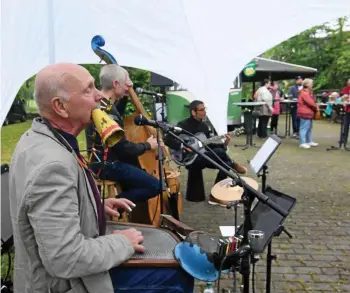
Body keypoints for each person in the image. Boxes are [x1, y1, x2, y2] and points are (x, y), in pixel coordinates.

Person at [9, 63, 194, 293]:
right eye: (88, 90)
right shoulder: (53, 165)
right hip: (63, 285)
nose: (98, 95)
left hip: (58, 276)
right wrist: (122, 243)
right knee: (179, 274)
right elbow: (65, 258)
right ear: (60, 106)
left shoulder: (38, 138)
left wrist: (93, 205)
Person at [87, 64, 161, 203]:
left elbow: (116, 115)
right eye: (126, 83)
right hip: (109, 166)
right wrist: (147, 145)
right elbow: (124, 148)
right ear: (115, 83)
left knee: (137, 175)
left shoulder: (101, 104)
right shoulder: (106, 110)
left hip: (99, 163)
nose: (129, 87)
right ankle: (111, 205)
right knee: (155, 186)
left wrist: (126, 96)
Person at [164, 100, 247, 205]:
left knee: (226, 164)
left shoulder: (204, 126)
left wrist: (225, 144)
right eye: (202, 110)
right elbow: (167, 139)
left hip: (202, 156)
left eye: (205, 109)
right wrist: (183, 146)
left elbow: (209, 145)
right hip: (188, 158)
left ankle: (215, 195)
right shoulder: (183, 124)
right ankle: (233, 164)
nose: (205, 112)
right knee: (222, 155)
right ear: (193, 112)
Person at [297, 78, 319, 149]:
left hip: (308, 112)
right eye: (311, 83)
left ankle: (309, 141)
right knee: (304, 128)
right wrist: (316, 108)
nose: (312, 85)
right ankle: (302, 142)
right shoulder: (304, 93)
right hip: (305, 113)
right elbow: (311, 103)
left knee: (309, 128)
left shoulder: (307, 92)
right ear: (307, 84)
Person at [340, 79, 350, 146]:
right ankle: (343, 139)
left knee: (346, 125)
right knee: (345, 125)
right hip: (348, 110)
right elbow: (343, 97)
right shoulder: (346, 88)